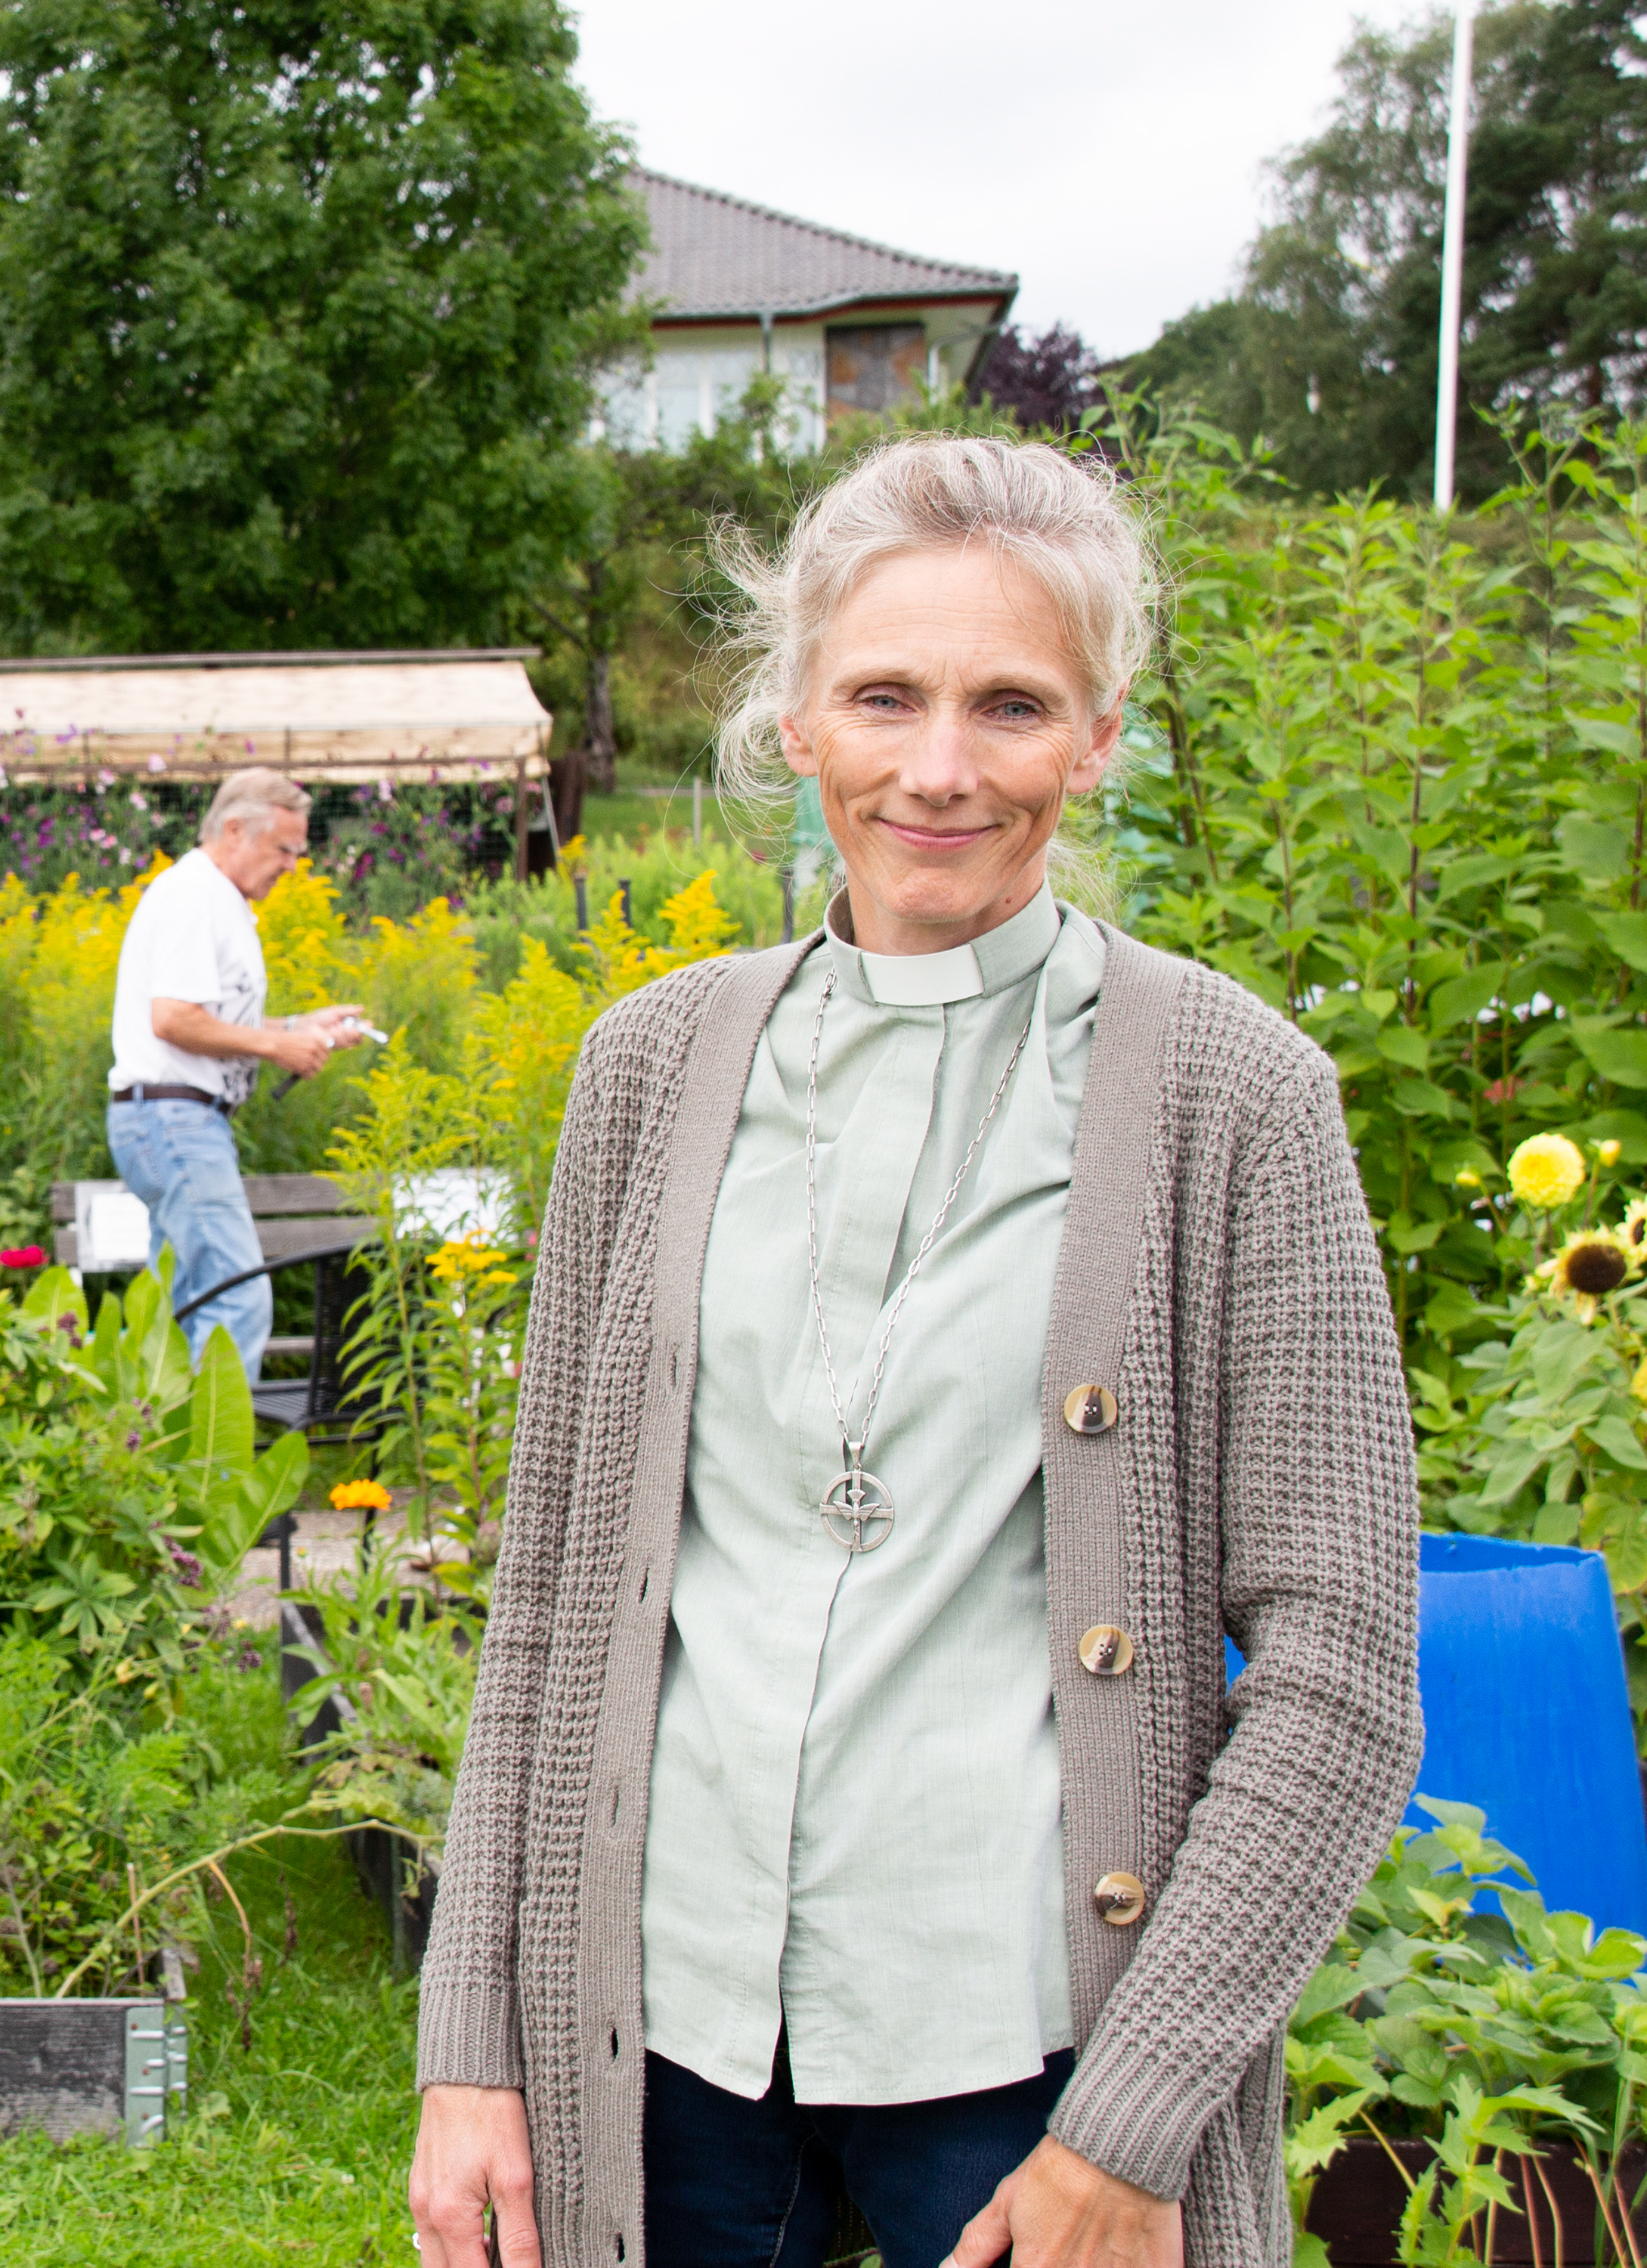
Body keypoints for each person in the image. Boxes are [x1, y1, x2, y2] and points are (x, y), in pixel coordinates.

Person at [405, 435, 1422, 2268]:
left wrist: (1132, 2122)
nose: (936, 768)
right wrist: (471, 2043)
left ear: (1095, 732)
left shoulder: (1230, 1094)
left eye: (1008, 705)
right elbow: (549, 1596)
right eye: (881, 695)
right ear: (795, 718)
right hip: (668, 2034)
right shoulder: (644, 1067)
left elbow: (1340, 1674)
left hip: (1023, 2050)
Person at [104, 769, 361, 1375]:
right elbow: (172, 1019)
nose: (294, 866)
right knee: (239, 1297)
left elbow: (207, 1019)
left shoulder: (215, 899)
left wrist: (299, 1027)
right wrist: (278, 1049)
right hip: (173, 1120)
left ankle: (159, 1459)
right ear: (236, 830)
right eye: (285, 850)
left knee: (186, 1303)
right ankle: (214, 1468)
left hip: (170, 1120)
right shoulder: (196, 896)